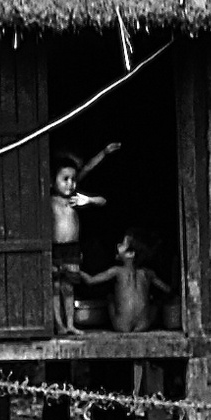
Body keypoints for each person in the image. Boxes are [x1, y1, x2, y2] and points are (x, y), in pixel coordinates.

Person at [50, 142, 121, 334]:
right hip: (54, 249)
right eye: (65, 179)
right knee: (54, 288)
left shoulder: (75, 198)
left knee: (69, 289)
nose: (70, 183)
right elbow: (85, 167)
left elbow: (102, 200)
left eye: (73, 180)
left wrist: (87, 200)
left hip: (72, 249)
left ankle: (71, 324)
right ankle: (59, 324)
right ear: (51, 181)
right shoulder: (49, 200)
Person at [81, 230, 173, 333]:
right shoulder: (148, 273)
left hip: (121, 326)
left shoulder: (116, 271)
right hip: (143, 325)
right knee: (155, 302)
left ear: (131, 254)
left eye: (122, 244)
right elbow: (167, 290)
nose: (118, 245)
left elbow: (90, 280)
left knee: (110, 298)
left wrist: (76, 270)